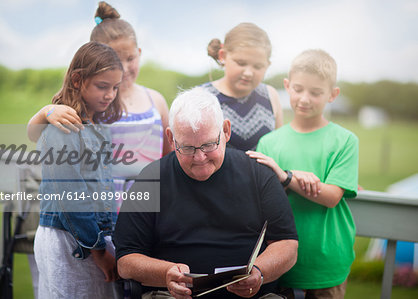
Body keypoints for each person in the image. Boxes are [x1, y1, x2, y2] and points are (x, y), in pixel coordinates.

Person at [113, 87, 298, 299]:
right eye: (188, 148)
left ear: (226, 131)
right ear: (171, 138)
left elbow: (287, 244)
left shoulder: (258, 174)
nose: (200, 157)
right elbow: (126, 260)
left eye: (209, 144)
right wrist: (165, 273)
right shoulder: (150, 179)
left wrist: (259, 271)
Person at [247, 49, 359, 298]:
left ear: (332, 94)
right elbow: (263, 199)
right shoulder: (269, 142)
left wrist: (287, 177)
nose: (304, 98)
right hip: (279, 261)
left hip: (326, 263)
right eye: (298, 89)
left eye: (316, 92)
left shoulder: (345, 141)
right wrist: (292, 176)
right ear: (287, 86)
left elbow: (331, 197)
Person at [27, 1, 170, 195]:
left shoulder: (156, 101)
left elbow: (168, 158)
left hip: (146, 211)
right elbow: (35, 135)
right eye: (115, 60)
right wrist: (47, 112)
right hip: (100, 212)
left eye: (130, 59)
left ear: (139, 53)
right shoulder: (92, 105)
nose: (124, 68)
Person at [34, 41, 124, 298]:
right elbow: (72, 197)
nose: (110, 95)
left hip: (89, 236)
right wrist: (97, 250)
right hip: (69, 240)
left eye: (115, 87)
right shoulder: (63, 128)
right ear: (77, 80)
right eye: (102, 86)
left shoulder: (96, 125)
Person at [202, 22, 283, 151]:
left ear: (267, 65)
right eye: (241, 63)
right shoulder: (201, 97)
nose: (248, 73)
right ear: (223, 56)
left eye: (257, 66)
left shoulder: (270, 95)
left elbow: (279, 147)